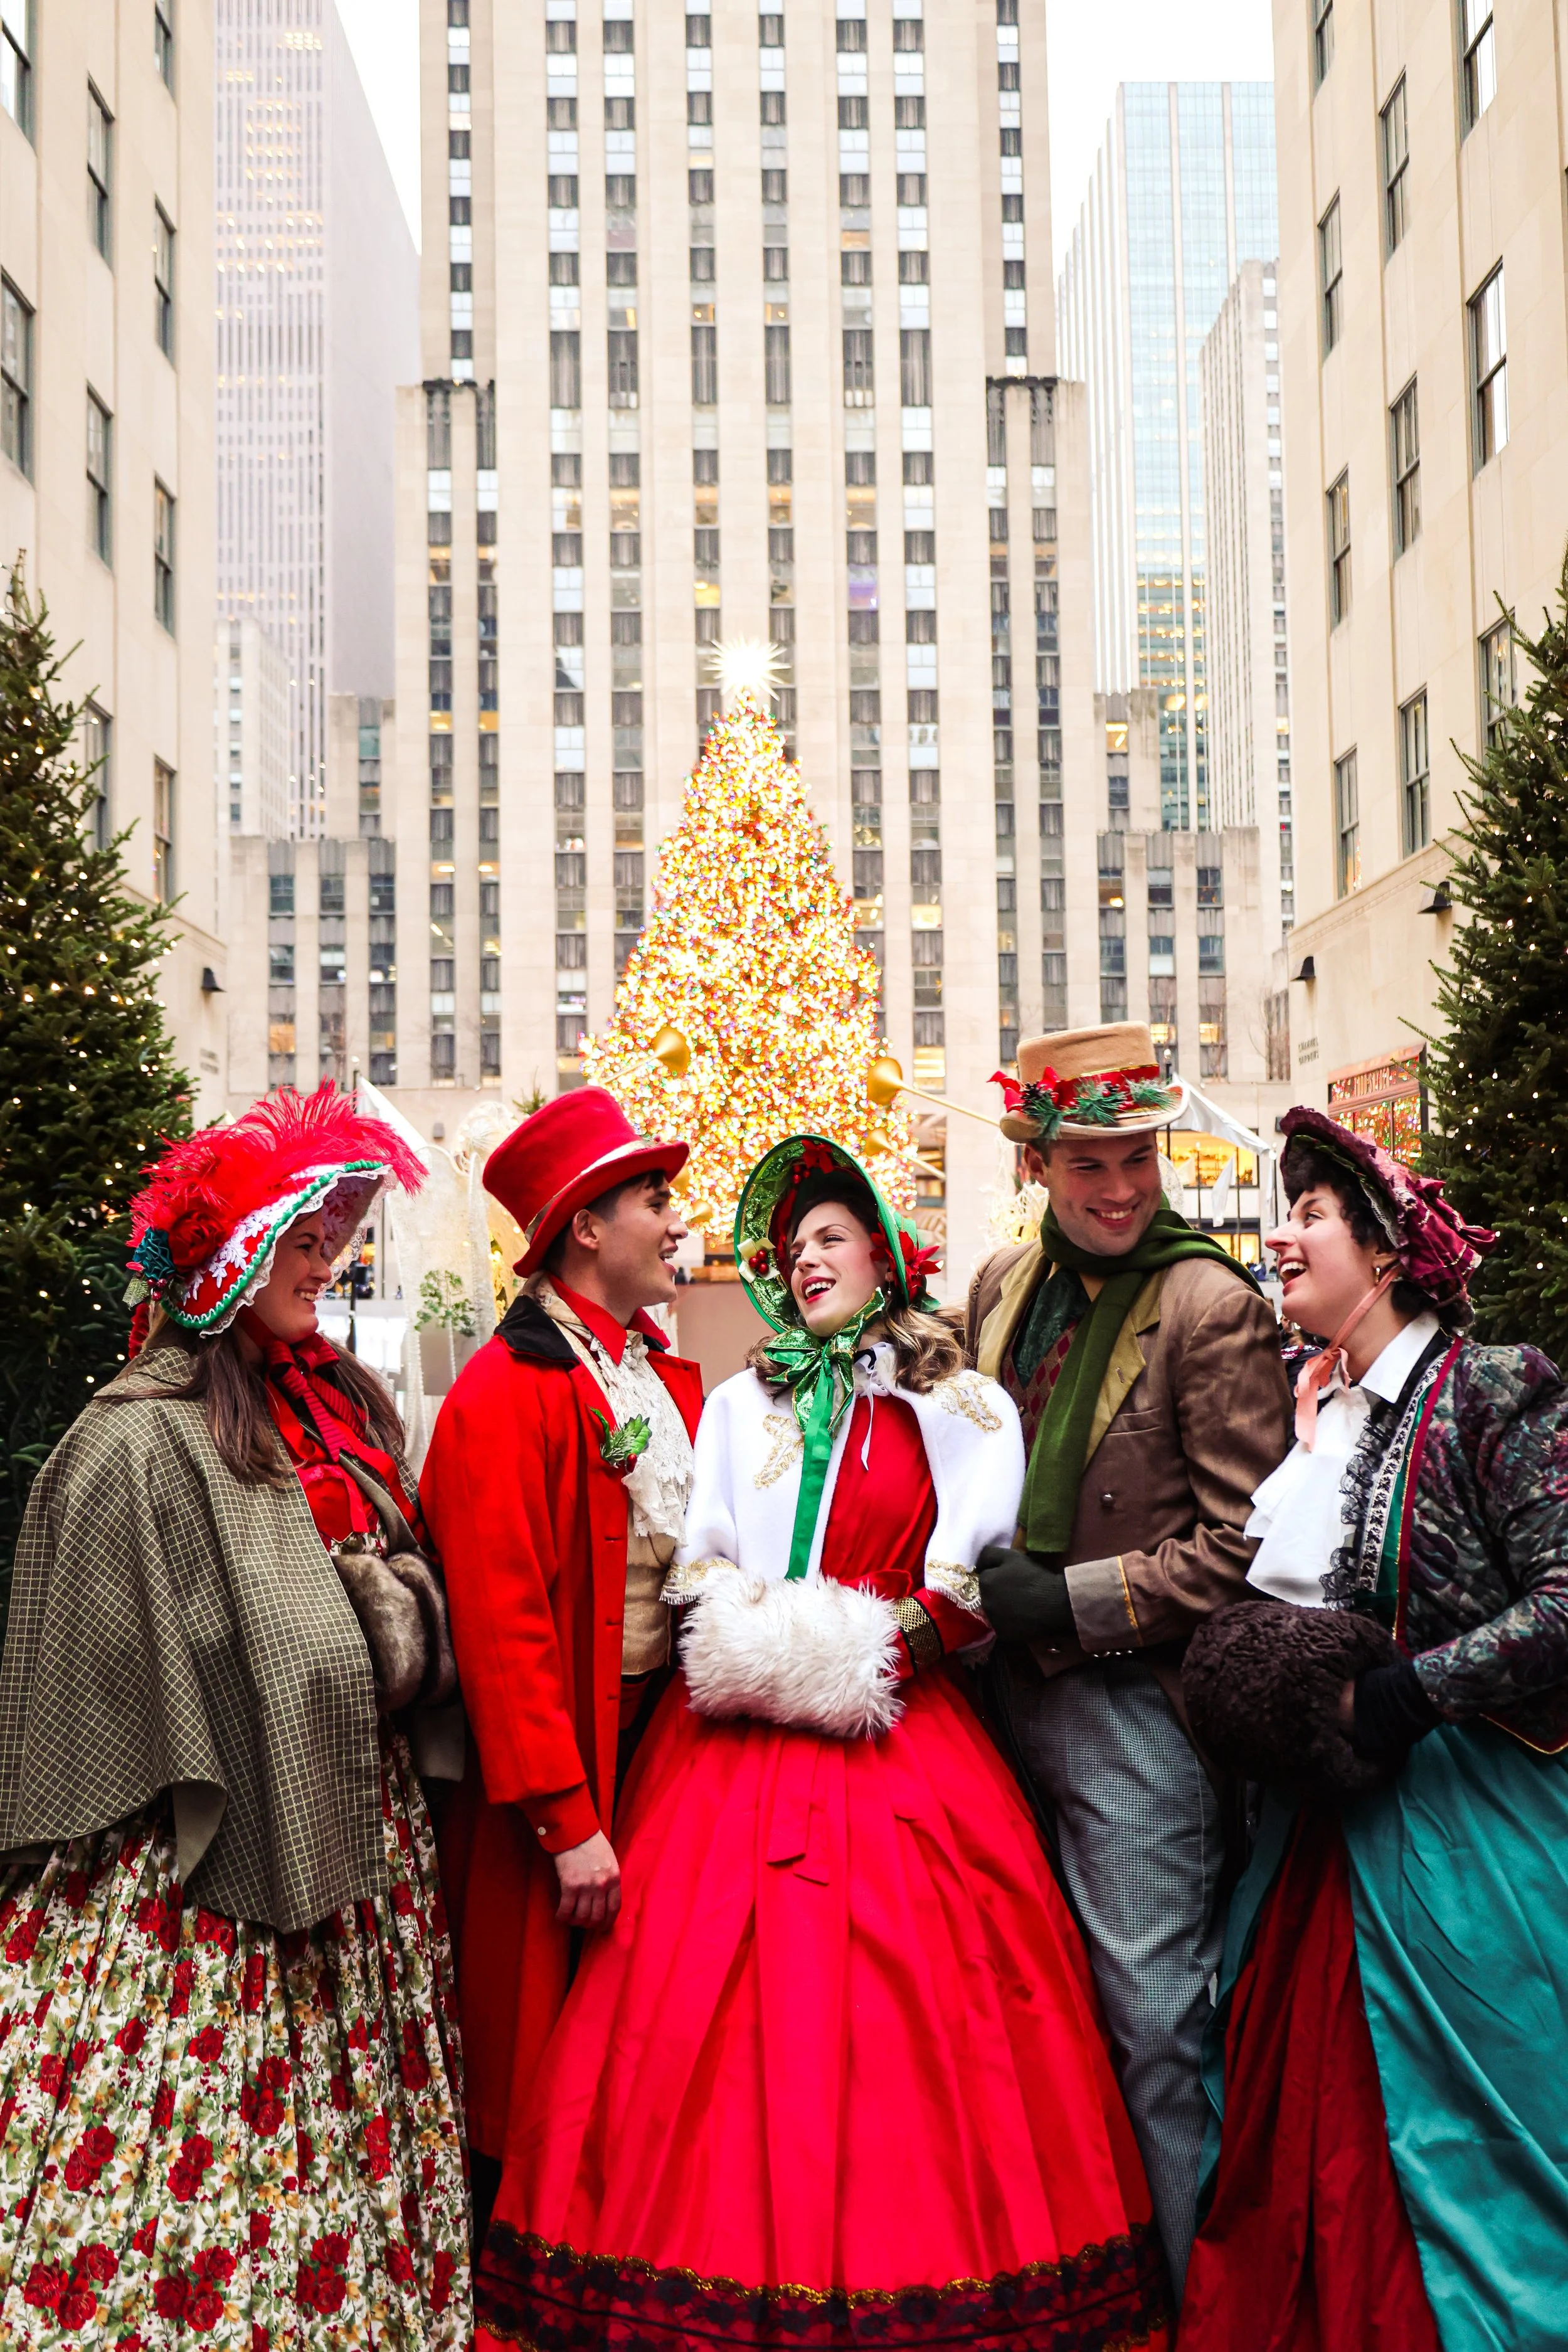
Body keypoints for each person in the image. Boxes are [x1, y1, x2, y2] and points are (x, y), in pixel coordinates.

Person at [474, 1134, 1174, 2352]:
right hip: (728, 1745)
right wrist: (755, 1643)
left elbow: (974, 1581)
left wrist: (856, 1652)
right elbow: (699, 1560)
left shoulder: (958, 1404)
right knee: (691, 2018)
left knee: (925, 2025)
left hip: (898, 1731)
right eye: (791, 1246)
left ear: (882, 1253)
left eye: (829, 1238)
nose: (803, 1260)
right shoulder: (735, 1401)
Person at [0, 1083, 470, 2348]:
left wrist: (378, 1613)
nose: (326, 1266)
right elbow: (111, 1665)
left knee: (343, 2086)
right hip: (189, 1852)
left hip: (348, 1802)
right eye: (302, 1245)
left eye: (331, 1244)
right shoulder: (136, 1438)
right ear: (235, 1261)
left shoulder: (333, 1402)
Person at [1179, 1108, 1568, 2352]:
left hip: (1468, 1826)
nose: (1280, 1237)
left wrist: (1404, 1696)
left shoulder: (1492, 1388)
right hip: (1322, 1832)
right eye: (1281, 1212)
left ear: (1386, 1251)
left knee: (1469, 2144)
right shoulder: (1321, 1411)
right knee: (1294, 2127)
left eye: (1309, 1214)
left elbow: (1563, 1602)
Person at [963, 1023, 1292, 2293]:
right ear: (1036, 1164)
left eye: (1138, 1159)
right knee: (1035, 2013)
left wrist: (1074, 1599)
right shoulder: (1001, 1284)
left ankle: (1199, 2304)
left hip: (1135, 1714)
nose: (1119, 1189)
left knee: (1157, 2026)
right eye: (1089, 1164)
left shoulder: (1210, 1303)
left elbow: (1251, 1546)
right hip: (998, 1699)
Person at [418, 1089, 703, 2245]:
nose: (676, 1221)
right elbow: (505, 1628)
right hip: (565, 1781)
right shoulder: (504, 1393)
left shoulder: (644, 1369)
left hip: (649, 1750)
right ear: (585, 1226)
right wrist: (565, 1816)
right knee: (533, 2048)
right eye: (654, 1199)